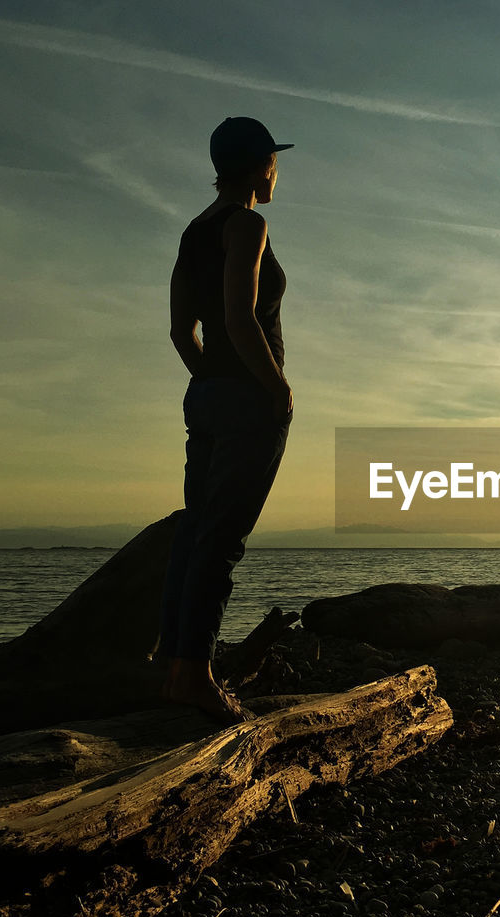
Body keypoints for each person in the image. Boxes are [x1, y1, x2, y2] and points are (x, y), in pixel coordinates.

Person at [158, 117, 295, 724]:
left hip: (208, 395)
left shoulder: (195, 231)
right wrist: (275, 387)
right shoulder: (247, 224)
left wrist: (207, 377)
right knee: (222, 538)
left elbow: (179, 330)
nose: (279, 172)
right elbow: (241, 316)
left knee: (196, 531)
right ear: (263, 163)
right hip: (245, 401)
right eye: (276, 161)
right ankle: (195, 673)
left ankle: (173, 663)